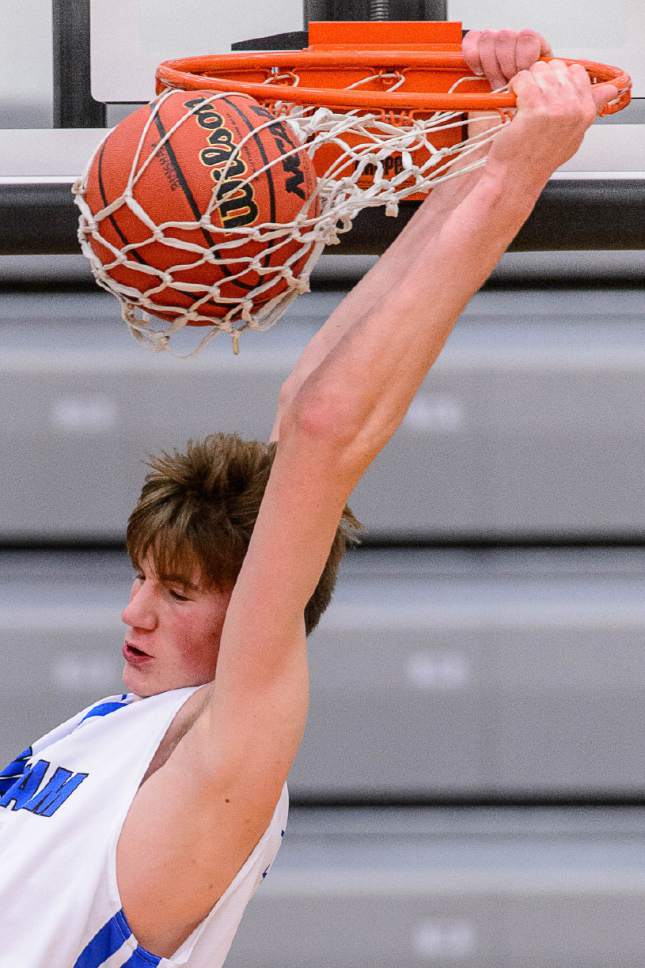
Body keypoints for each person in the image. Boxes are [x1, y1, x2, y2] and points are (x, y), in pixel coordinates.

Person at [0, 28, 617, 968]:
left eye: (177, 593)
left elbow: (326, 429)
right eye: (142, 580)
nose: (135, 614)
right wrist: (481, 144)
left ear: (254, 609)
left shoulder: (229, 748)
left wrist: (517, 169)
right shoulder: (107, 731)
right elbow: (299, 412)